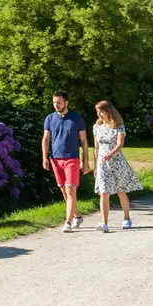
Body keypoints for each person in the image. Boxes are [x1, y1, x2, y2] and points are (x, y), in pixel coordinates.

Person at [41, 90, 91, 232]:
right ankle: (77, 216)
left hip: (72, 158)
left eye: (59, 102)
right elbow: (45, 139)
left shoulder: (76, 118)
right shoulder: (49, 118)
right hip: (56, 159)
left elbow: (84, 140)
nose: (56, 105)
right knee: (64, 190)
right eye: (54, 102)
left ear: (66, 103)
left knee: (70, 190)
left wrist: (85, 160)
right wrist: (45, 157)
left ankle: (67, 222)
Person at [92, 100, 144, 232]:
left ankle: (126, 218)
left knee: (120, 191)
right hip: (102, 163)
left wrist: (111, 154)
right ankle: (104, 223)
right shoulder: (97, 126)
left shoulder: (118, 126)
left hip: (117, 162)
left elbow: (120, 144)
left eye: (101, 111)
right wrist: (96, 166)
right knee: (104, 192)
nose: (99, 114)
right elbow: (96, 147)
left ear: (108, 111)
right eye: (97, 111)